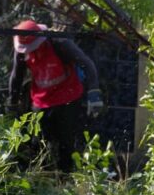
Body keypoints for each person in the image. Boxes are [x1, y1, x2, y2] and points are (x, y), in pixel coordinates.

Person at [8, 20, 105, 172]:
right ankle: (42, 176)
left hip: (67, 96)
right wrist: (12, 102)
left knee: (65, 142)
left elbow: (87, 63)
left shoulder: (58, 43)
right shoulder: (22, 49)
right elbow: (16, 75)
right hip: (41, 100)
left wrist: (94, 93)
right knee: (38, 142)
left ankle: (65, 177)